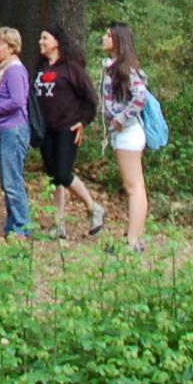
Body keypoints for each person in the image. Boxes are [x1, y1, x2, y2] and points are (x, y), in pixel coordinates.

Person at [32, 26, 105, 237]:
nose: (40, 42)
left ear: (57, 42)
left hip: (67, 128)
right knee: (54, 177)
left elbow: (90, 99)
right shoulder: (41, 69)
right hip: (46, 130)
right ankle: (59, 224)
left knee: (63, 173)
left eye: (45, 38)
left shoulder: (72, 69)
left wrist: (83, 122)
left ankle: (93, 207)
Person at [98, 23, 151, 251]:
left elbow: (140, 96)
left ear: (118, 41)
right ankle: (132, 237)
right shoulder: (114, 67)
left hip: (129, 133)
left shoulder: (124, 68)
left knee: (134, 187)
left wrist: (121, 118)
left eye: (109, 35)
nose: (104, 38)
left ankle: (133, 241)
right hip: (122, 134)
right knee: (132, 186)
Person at [0, 27, 32, 238]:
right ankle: (12, 224)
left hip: (14, 129)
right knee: (7, 180)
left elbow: (17, 101)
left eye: (0, 44)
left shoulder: (14, 70)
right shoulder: (1, 69)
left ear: (12, 48)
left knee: (13, 180)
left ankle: (23, 226)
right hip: (4, 128)